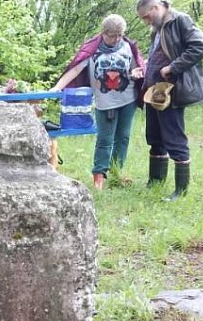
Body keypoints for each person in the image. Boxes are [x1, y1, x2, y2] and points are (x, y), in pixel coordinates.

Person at [53, 14, 146, 190]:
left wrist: (136, 73)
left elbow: (136, 67)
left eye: (119, 35)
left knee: (123, 138)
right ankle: (98, 178)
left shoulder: (127, 47)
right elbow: (74, 69)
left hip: (127, 99)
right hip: (105, 102)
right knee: (105, 139)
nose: (116, 39)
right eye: (112, 35)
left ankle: (116, 173)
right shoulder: (93, 49)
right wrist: (57, 88)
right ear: (103, 33)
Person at [135, 0, 203, 201]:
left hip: (172, 90)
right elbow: (160, 54)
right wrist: (145, 67)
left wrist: (173, 68)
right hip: (154, 89)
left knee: (174, 138)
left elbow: (200, 45)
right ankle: (155, 182)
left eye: (146, 17)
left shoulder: (180, 20)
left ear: (156, 8)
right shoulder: (157, 27)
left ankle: (180, 191)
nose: (145, 22)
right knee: (155, 136)